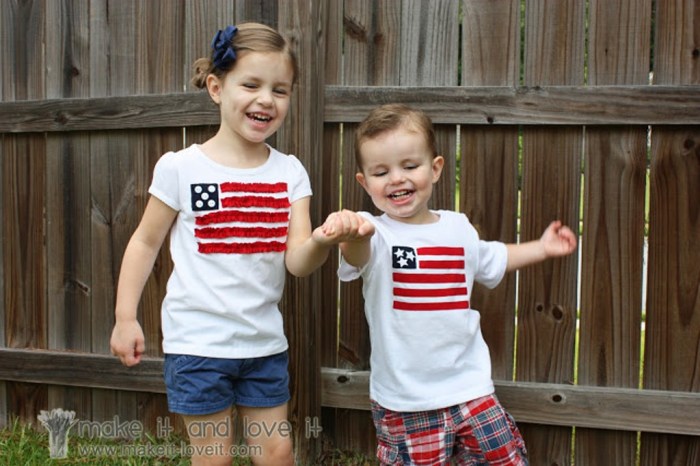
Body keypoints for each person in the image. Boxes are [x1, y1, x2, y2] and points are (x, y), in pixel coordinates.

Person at [110, 23, 357, 466]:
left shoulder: (289, 173)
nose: (267, 99)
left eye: (280, 90)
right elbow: (145, 243)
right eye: (252, 84)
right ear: (216, 87)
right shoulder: (181, 168)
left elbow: (298, 263)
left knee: (278, 451)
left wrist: (321, 240)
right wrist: (125, 317)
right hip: (198, 347)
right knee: (214, 457)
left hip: (263, 346)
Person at [323, 103, 577, 465]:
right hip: (407, 400)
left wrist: (542, 247)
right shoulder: (374, 231)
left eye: (410, 166)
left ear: (435, 168)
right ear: (364, 182)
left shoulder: (457, 228)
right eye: (382, 172)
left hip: (471, 389)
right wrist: (351, 232)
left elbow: (493, 259)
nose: (397, 178)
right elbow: (356, 254)